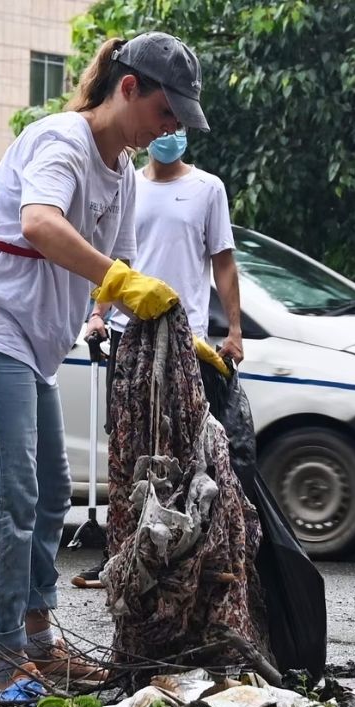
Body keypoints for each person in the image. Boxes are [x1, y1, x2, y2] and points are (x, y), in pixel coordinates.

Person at [0, 31, 218, 700]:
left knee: (51, 492)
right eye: (166, 112)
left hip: (28, 345)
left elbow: (119, 278)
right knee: (9, 495)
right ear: (130, 88)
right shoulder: (61, 140)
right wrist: (120, 282)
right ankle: (0, 665)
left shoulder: (120, 176)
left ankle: (37, 639)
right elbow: (40, 225)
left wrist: (171, 328)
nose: (170, 129)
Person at [71, 126, 241, 588]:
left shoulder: (207, 189)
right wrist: (98, 313)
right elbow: (110, 259)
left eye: (177, 125)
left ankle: (188, 555)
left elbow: (223, 262)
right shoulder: (129, 184)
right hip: (131, 336)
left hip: (187, 342)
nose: (169, 134)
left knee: (186, 450)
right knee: (128, 447)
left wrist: (236, 330)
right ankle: (123, 555)